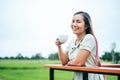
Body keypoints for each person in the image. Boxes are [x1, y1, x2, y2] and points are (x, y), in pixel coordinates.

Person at [55, 11, 105, 80]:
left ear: (86, 26)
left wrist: (69, 63)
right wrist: (59, 46)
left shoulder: (89, 38)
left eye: (78, 22)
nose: (74, 24)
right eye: (73, 21)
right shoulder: (72, 41)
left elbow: (78, 62)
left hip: (91, 77)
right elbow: (63, 62)